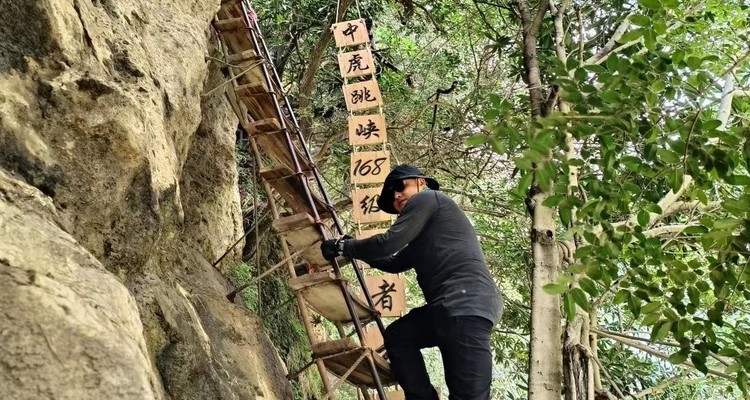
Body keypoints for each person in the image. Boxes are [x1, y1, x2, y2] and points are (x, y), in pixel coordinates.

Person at [321, 164, 503, 400]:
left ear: (421, 182)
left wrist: (344, 246)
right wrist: (352, 246)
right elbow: (393, 262)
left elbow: (387, 243)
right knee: (399, 335)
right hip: (448, 309)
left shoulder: (429, 198)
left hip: (467, 305)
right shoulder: (425, 237)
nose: (396, 196)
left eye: (399, 186)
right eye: (391, 198)